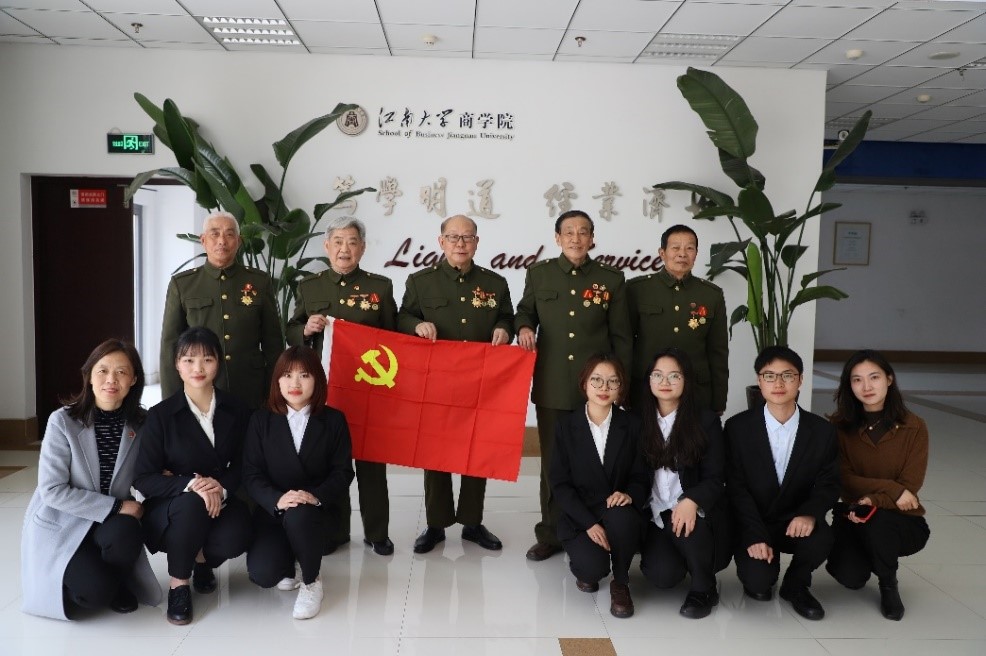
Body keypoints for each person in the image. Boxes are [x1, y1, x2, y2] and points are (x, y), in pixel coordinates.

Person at [516, 209, 632, 562]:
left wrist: (621, 387)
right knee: (554, 463)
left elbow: (621, 336)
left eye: (583, 232)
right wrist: (524, 327)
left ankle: (599, 527)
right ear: (557, 238)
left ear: (592, 238)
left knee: (599, 461)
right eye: (569, 232)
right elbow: (525, 312)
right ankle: (551, 533)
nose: (576, 238)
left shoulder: (611, 279)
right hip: (552, 384)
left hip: (598, 390)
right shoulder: (539, 274)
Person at [397, 214, 515, 554]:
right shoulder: (421, 281)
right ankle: (436, 524)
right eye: (453, 237)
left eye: (467, 237)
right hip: (436, 383)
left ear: (476, 242)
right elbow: (402, 316)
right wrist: (416, 325)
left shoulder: (495, 283)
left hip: (480, 383)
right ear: (441, 242)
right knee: (435, 453)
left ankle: (472, 522)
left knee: (476, 452)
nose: (460, 243)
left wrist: (504, 329)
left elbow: (507, 317)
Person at [21, 340, 162, 620]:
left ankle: (117, 580)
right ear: (88, 375)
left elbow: (150, 470)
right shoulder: (62, 421)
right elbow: (52, 490)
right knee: (93, 594)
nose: (111, 379)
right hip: (65, 519)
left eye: (121, 372)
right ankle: (79, 576)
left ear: (134, 379)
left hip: (111, 526)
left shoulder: (142, 424)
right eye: (103, 370)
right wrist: (117, 506)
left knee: (127, 531)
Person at [286, 216, 397, 556]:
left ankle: (378, 533)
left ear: (362, 248)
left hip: (369, 391)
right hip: (326, 391)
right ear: (327, 246)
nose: (344, 249)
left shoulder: (380, 287)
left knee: (371, 465)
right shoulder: (310, 287)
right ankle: (335, 531)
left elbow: (394, 339)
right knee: (331, 463)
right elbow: (291, 330)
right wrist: (306, 330)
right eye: (338, 241)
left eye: (351, 242)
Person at [135, 326, 253, 625]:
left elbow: (246, 463)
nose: (198, 368)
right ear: (177, 364)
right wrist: (190, 484)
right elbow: (143, 477)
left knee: (236, 536)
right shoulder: (160, 415)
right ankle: (179, 584)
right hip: (174, 506)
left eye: (207, 359)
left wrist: (221, 488)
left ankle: (201, 559)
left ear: (218, 363)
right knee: (191, 504)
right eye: (188, 360)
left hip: (221, 500)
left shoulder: (238, 409)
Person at [725, 346, 839, 621]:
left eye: (787, 375)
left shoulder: (822, 431)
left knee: (822, 535)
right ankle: (764, 566)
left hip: (794, 520)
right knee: (759, 584)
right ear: (759, 380)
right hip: (755, 521)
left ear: (800, 380)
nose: (778, 383)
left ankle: (796, 584)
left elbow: (830, 483)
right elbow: (735, 487)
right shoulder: (737, 427)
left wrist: (809, 513)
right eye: (770, 376)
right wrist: (754, 534)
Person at [243, 346, 355, 620]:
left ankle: (311, 580)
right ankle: (290, 560)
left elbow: (343, 472)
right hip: (273, 512)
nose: (295, 383)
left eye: (304, 375)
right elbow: (251, 473)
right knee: (263, 574)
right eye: (287, 375)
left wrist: (314, 496)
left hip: (315, 513)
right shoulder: (260, 420)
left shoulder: (334, 420)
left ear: (317, 380)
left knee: (300, 516)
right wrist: (277, 499)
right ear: (277, 381)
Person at [825, 350, 930, 621]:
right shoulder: (839, 427)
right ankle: (871, 554)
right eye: (857, 380)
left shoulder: (914, 427)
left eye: (874, 377)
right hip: (853, 516)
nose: (867, 386)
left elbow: (911, 484)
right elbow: (843, 477)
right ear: (849, 385)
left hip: (901, 518)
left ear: (889, 379)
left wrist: (874, 501)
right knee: (850, 577)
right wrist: (892, 490)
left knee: (879, 521)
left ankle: (888, 583)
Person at [550, 354, 648, 619]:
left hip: (617, 511)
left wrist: (629, 494)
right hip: (581, 515)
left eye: (612, 381)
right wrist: (589, 524)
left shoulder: (633, 425)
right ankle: (589, 560)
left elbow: (641, 475)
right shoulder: (566, 426)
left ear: (620, 387)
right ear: (584, 383)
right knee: (592, 570)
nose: (604, 388)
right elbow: (560, 483)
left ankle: (621, 582)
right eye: (596, 380)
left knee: (622, 517)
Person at [638, 348, 729, 619]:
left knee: (690, 526)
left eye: (674, 376)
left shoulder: (706, 421)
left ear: (686, 380)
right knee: (662, 576)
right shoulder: (637, 420)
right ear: (649, 380)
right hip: (655, 513)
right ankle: (682, 557)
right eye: (658, 375)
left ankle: (704, 587)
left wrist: (692, 500)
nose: (665, 382)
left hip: (691, 509)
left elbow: (716, 477)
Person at [160, 211, 283, 409]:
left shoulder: (259, 281)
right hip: (201, 388)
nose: (222, 241)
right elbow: (170, 345)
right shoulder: (183, 284)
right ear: (203, 240)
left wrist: (275, 393)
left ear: (239, 241)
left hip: (250, 387)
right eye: (215, 234)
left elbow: (273, 342)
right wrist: (171, 402)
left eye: (229, 234)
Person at [628, 224, 728, 415]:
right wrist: (625, 391)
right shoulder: (637, 290)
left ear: (696, 253)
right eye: (675, 248)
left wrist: (719, 400)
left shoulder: (711, 295)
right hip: (646, 391)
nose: (682, 254)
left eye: (689, 248)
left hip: (696, 391)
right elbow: (625, 344)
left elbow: (718, 352)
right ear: (662, 253)